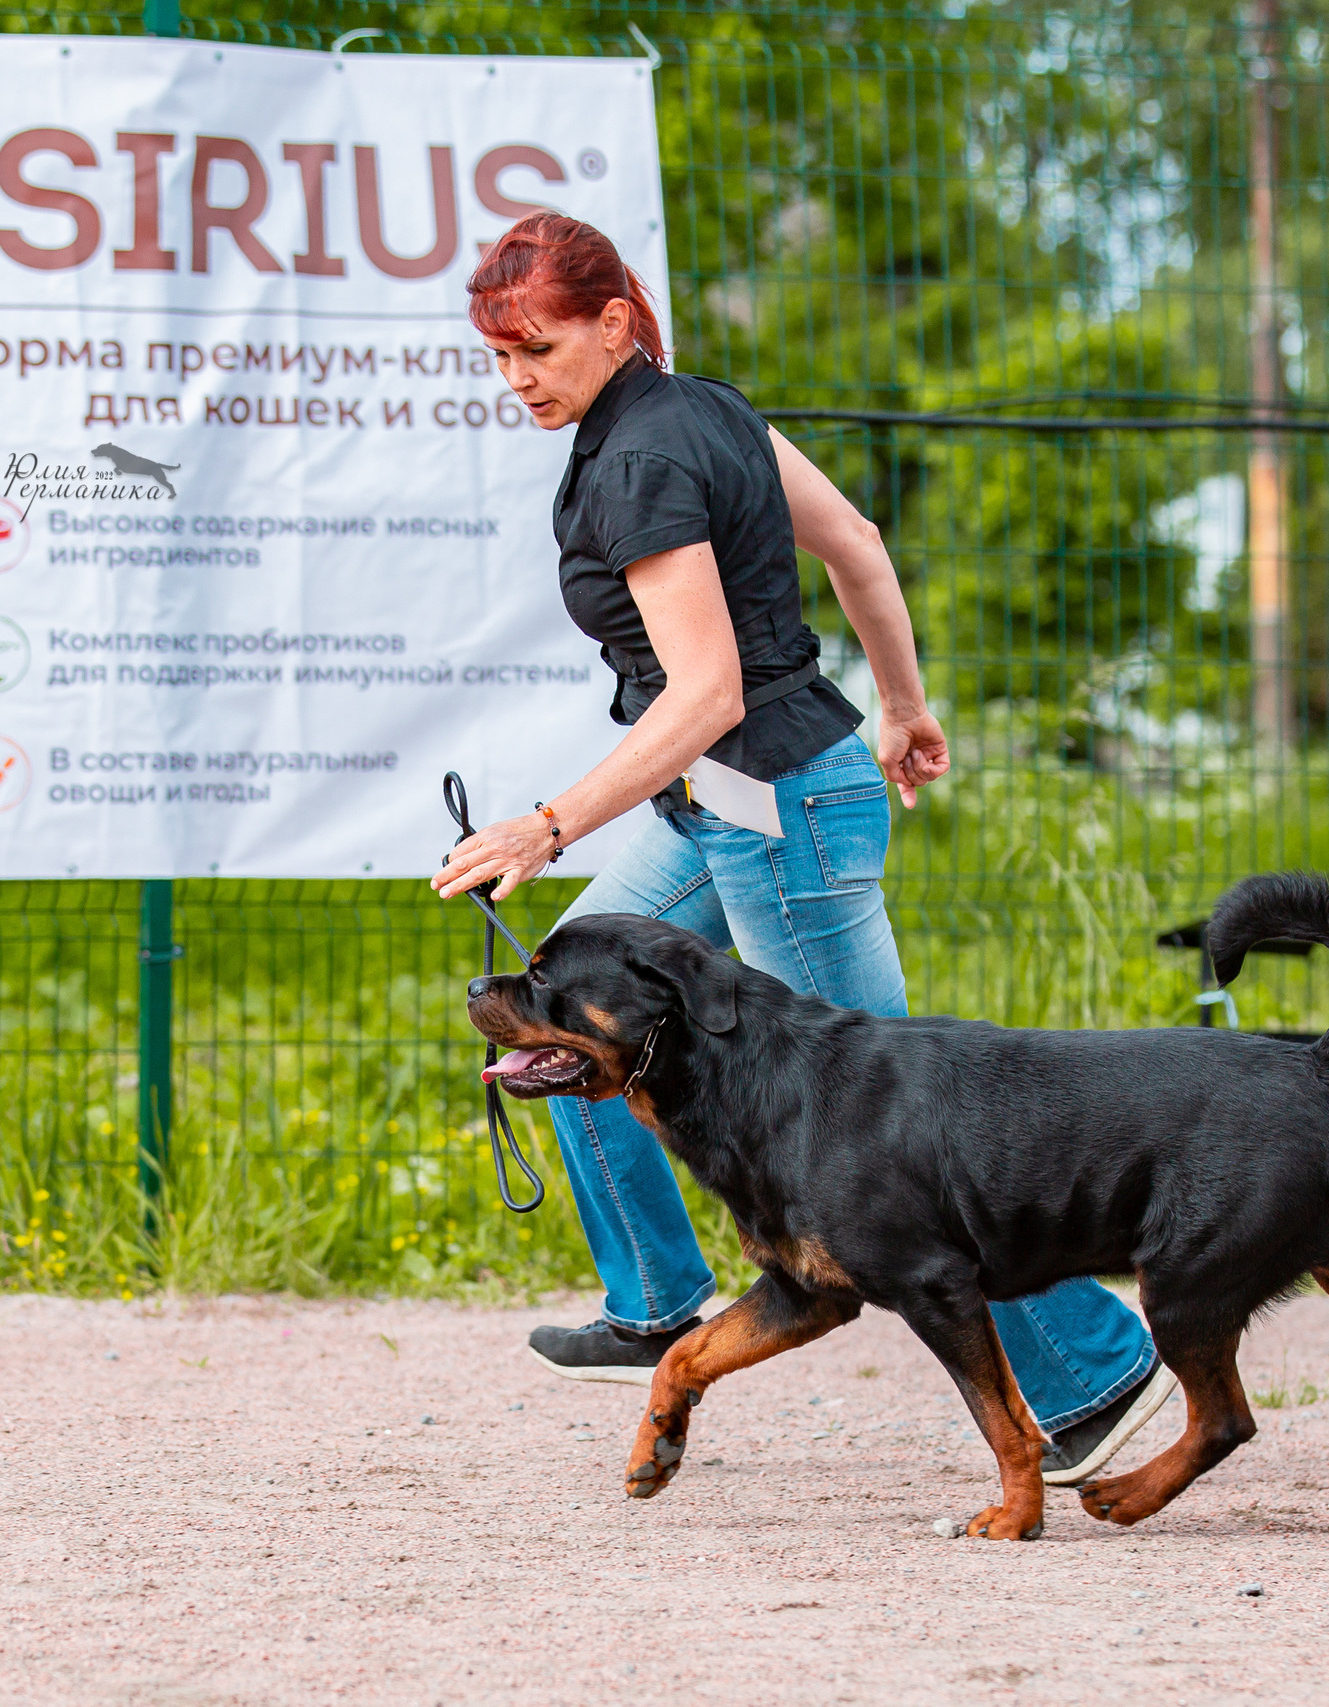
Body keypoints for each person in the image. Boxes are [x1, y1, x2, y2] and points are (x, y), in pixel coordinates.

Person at [434, 212, 1172, 1483]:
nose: (516, 380)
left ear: (615, 323)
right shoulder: (707, 410)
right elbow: (861, 551)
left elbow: (708, 693)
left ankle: (1092, 1368)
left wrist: (550, 822)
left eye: (536, 349)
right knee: (562, 997)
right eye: (499, 358)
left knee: (893, 1124)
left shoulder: (645, 462)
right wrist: (901, 702)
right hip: (745, 793)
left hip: (777, 804)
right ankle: (656, 1296)